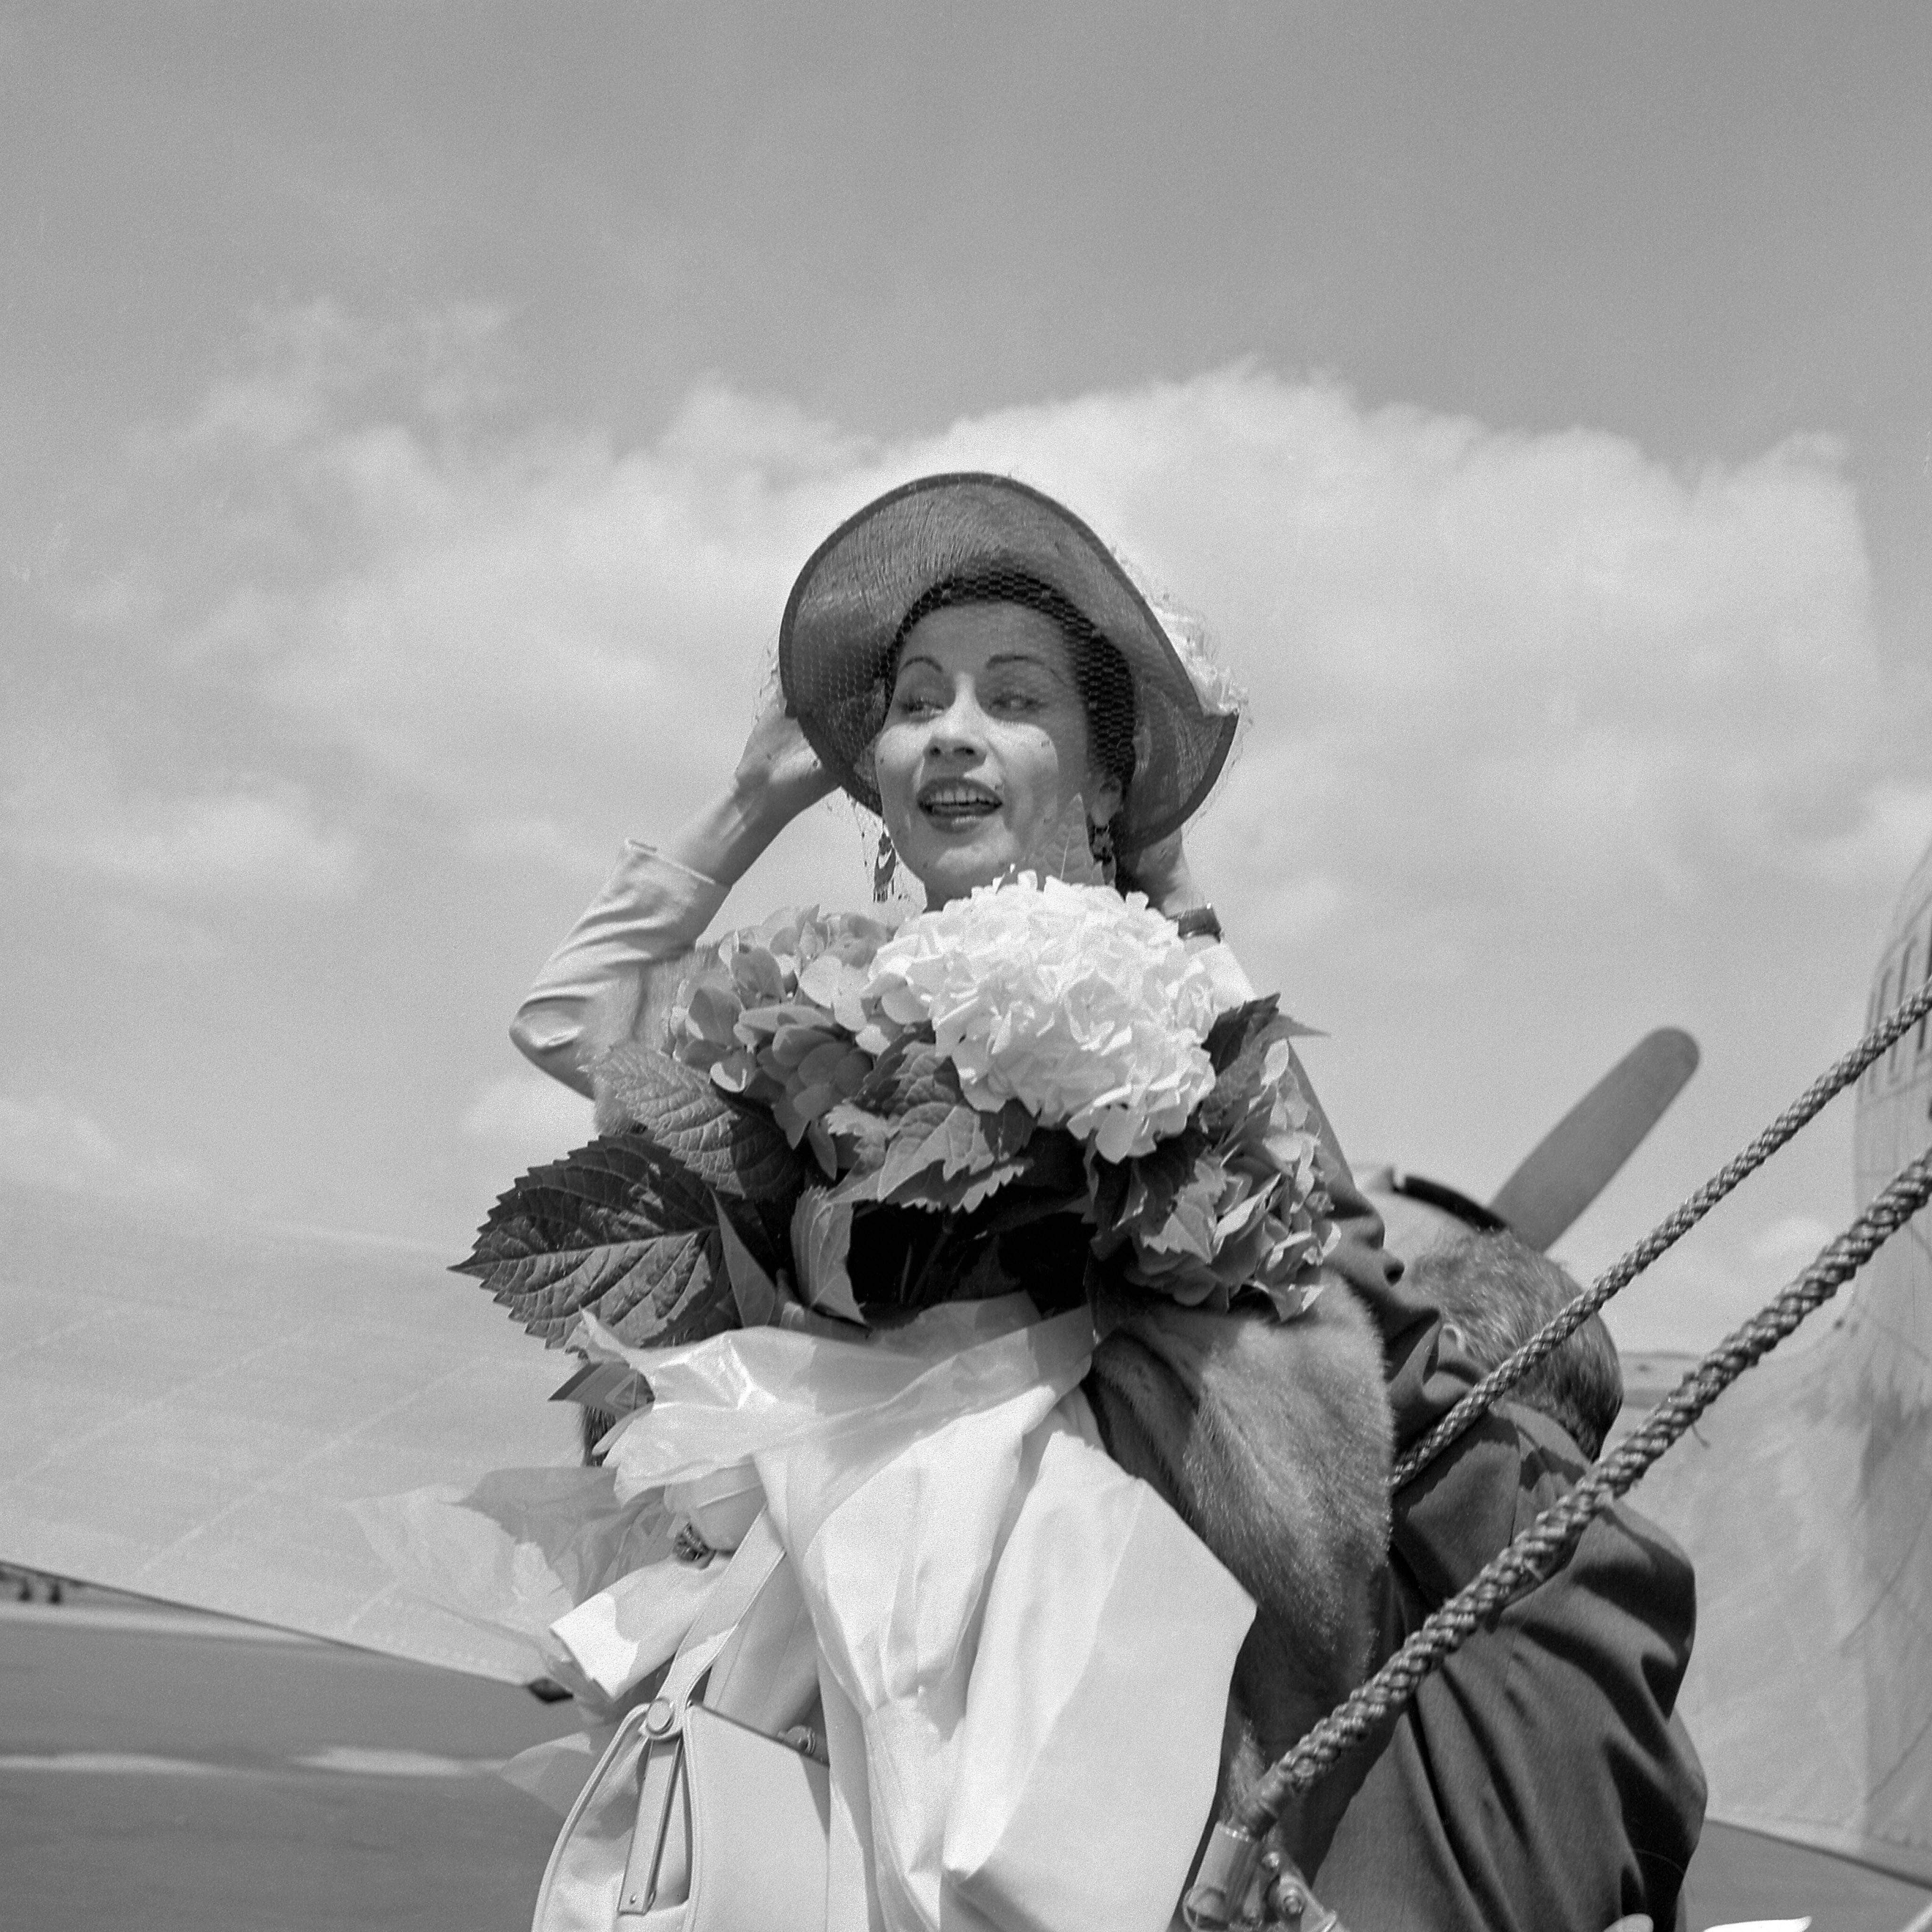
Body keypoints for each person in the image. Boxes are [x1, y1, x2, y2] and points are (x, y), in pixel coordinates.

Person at [511, 472, 1705, 1931]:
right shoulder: (816, 988)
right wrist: (756, 792)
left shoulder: (1168, 993)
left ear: (1092, 770)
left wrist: (1170, 890)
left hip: (1071, 1667)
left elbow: (1316, 1272)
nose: (953, 730)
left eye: (1016, 699)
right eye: (916, 699)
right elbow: (578, 1027)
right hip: (828, 1629)